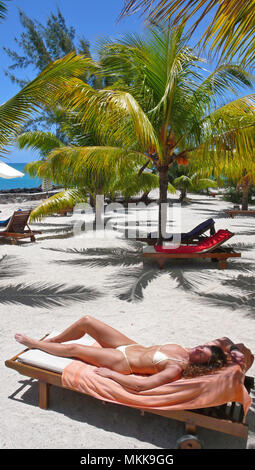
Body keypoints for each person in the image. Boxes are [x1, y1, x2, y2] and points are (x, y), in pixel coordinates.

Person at [14, 315, 245, 392]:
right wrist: (233, 350)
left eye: (201, 352)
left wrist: (111, 375)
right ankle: (55, 340)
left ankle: (36, 344)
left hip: (122, 361)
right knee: (87, 321)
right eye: (202, 347)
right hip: (129, 345)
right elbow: (224, 340)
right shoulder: (187, 351)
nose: (199, 348)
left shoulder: (175, 369)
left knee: (74, 349)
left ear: (202, 363)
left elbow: (142, 386)